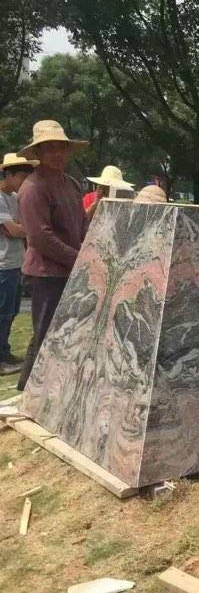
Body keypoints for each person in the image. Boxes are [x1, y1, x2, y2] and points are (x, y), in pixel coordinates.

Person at [16, 120, 89, 390]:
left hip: (71, 269)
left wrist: (90, 250)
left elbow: (82, 223)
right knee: (46, 333)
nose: (57, 153)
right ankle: (29, 391)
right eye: (49, 148)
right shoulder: (33, 188)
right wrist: (79, 258)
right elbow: (40, 238)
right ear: (37, 153)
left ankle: (53, 391)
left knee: (68, 332)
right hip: (47, 273)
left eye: (61, 147)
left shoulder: (71, 184)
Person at [0, 154, 38, 375]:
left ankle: (4, 352)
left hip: (15, 262)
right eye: (23, 176)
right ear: (9, 174)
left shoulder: (14, 197)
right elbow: (12, 231)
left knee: (12, 311)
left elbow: (21, 226)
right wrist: (30, 229)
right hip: (3, 265)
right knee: (2, 313)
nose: (25, 181)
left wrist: (23, 228)